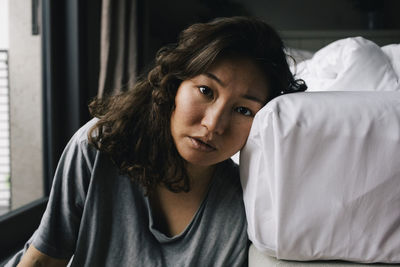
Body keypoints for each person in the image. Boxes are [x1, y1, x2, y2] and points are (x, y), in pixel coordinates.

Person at [7, 16, 305, 267]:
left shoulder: (248, 205)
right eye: (205, 90)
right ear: (175, 85)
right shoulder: (99, 147)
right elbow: (42, 261)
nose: (213, 124)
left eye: (243, 110)